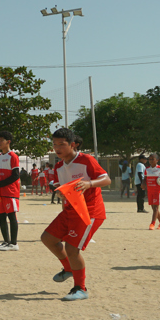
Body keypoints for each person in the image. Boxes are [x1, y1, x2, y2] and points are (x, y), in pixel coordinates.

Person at [41, 128, 110, 301]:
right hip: (69, 210)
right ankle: (69, 269)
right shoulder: (58, 166)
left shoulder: (86, 160)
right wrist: (60, 193)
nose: (57, 148)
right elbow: (62, 189)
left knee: (72, 248)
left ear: (72, 144)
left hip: (89, 211)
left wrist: (90, 183)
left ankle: (81, 288)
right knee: (48, 238)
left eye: (61, 144)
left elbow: (106, 179)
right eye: (54, 144)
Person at [0, 131, 21, 251]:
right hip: (0, 192)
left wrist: (0, 183)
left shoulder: (13, 156)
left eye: (1, 140)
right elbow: (0, 175)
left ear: (8, 142)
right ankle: (6, 241)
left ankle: (14, 243)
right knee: (1, 216)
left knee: (11, 216)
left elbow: (15, 175)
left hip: (10, 192)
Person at [143, 154, 160, 230]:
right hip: (150, 191)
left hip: (158, 191)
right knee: (154, 208)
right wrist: (143, 183)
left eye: (152, 159)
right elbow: (145, 178)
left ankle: (152, 224)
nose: (151, 161)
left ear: (157, 160)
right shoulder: (147, 169)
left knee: (155, 208)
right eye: (150, 159)